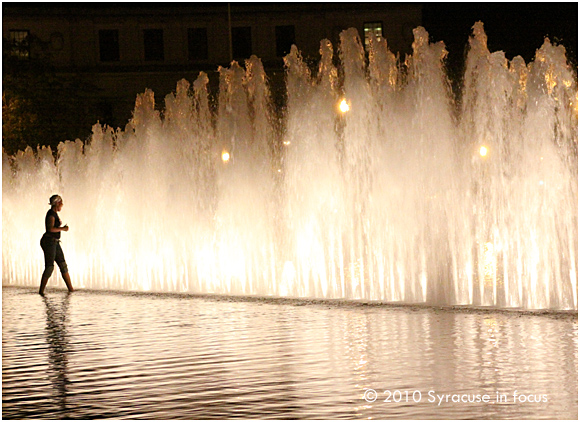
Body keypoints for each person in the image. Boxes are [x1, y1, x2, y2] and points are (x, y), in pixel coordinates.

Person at [39, 195, 74, 295]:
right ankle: (41, 292)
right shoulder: (51, 215)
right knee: (49, 267)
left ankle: (71, 290)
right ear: (57, 203)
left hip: (55, 242)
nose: (62, 205)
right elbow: (50, 229)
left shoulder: (54, 213)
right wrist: (62, 229)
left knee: (63, 265)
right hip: (49, 242)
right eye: (61, 203)